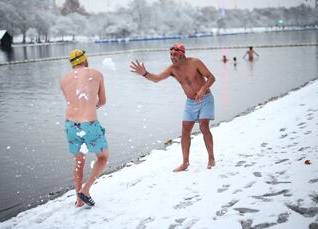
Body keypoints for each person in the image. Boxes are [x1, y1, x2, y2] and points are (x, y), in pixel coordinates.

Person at [130, 43, 216, 172]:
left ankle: (211, 158)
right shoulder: (172, 69)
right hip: (190, 102)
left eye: (175, 54)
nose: (172, 57)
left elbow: (211, 78)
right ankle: (185, 163)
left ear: (182, 54)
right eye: (171, 55)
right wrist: (144, 73)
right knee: (185, 131)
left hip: (206, 99)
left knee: (204, 126)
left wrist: (203, 89)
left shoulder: (195, 62)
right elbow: (157, 78)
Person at [60, 49, 109, 207]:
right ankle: (86, 190)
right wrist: (92, 106)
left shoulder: (64, 79)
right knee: (102, 157)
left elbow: (72, 102)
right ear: (84, 60)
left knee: (79, 162)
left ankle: (78, 200)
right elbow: (102, 101)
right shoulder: (96, 73)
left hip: (70, 124)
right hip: (89, 123)